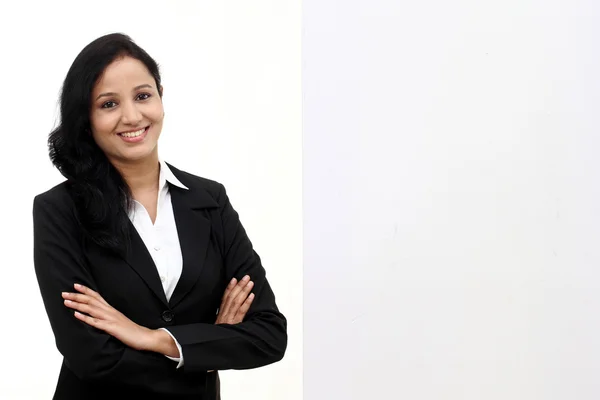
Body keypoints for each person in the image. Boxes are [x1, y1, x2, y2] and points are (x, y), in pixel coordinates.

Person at [32, 33, 287, 400]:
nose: (132, 116)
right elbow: (89, 357)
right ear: (86, 118)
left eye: (142, 96)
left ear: (161, 97)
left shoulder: (210, 200)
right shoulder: (59, 211)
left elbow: (269, 335)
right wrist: (204, 352)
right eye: (108, 104)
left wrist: (155, 339)